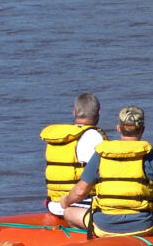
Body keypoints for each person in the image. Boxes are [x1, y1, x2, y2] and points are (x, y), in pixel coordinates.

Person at [58, 105, 153, 237]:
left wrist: (66, 201)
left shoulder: (101, 155)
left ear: (118, 128)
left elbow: (80, 192)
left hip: (104, 226)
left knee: (69, 212)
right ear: (142, 129)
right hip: (144, 226)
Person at [40, 92, 107, 228]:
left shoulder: (59, 137)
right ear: (98, 112)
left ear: (74, 112)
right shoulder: (94, 137)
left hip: (54, 205)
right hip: (81, 204)